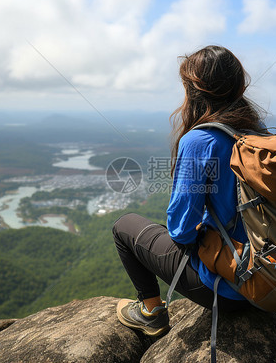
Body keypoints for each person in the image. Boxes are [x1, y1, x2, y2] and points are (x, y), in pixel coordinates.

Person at [113, 45, 266, 336]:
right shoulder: (259, 132)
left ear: (194, 91)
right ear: (239, 86)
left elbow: (180, 230)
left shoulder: (201, 140)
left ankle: (152, 312)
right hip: (270, 279)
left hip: (229, 287)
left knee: (124, 227)